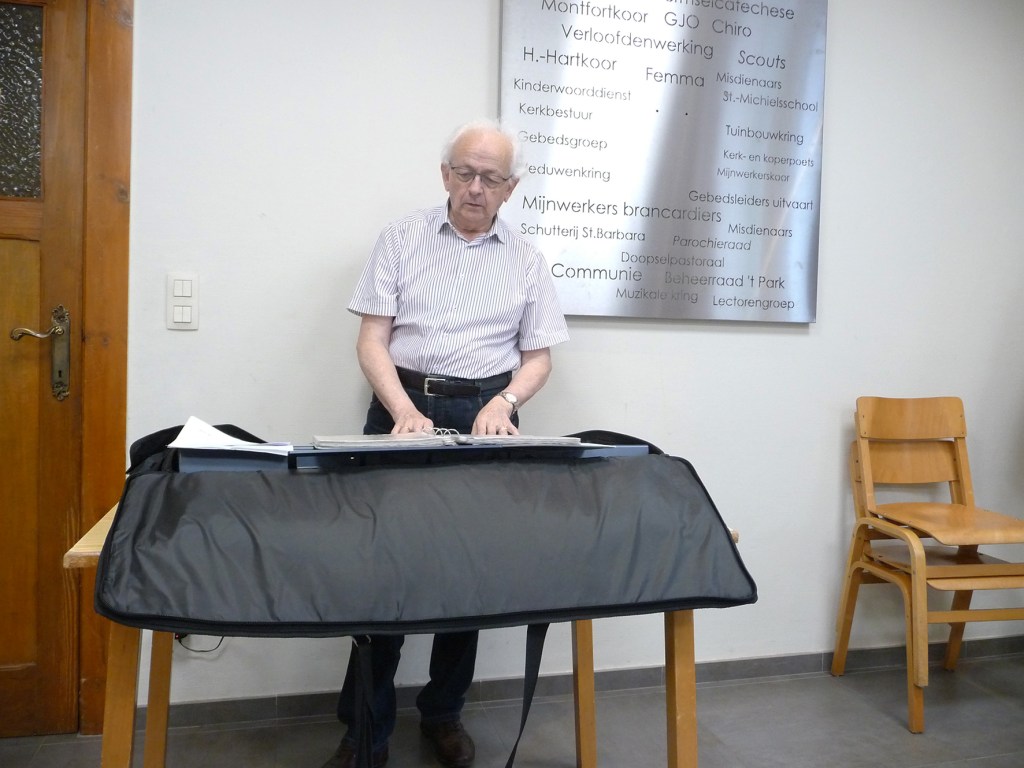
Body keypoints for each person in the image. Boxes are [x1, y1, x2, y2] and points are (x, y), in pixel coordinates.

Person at [321, 119, 570, 768]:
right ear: (444, 175)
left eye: (490, 177)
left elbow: (538, 359)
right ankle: (365, 731)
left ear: (511, 188)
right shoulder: (401, 238)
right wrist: (403, 411)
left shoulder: (527, 259)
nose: (475, 188)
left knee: (467, 577)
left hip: (485, 414)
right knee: (383, 574)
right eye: (465, 173)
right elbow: (372, 339)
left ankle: (444, 713)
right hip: (402, 406)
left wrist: (505, 402)